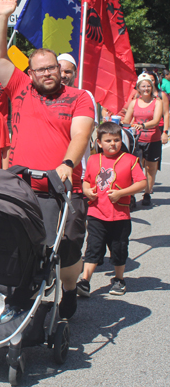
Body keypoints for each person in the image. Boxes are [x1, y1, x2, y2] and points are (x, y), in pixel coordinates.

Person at [0, 0, 95, 319]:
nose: (48, 73)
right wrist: (3, 15)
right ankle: (23, 296)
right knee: (22, 249)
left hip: (64, 189)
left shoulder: (79, 97)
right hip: (23, 188)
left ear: (59, 69)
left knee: (66, 254)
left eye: (53, 68)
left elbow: (81, 134)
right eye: (41, 69)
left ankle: (68, 290)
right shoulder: (20, 88)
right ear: (31, 73)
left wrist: (67, 163)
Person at [77, 122, 146, 297]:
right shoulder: (93, 160)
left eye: (116, 140)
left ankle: (119, 278)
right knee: (93, 247)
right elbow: (86, 180)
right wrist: (86, 190)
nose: (112, 144)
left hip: (120, 215)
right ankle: (85, 281)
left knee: (119, 248)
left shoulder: (130, 160)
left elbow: (142, 183)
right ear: (99, 142)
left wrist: (122, 193)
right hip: (96, 213)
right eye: (108, 140)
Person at [122, 73, 163, 206]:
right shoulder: (134, 102)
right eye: (143, 86)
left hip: (153, 139)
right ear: (138, 88)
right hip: (137, 140)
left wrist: (143, 125)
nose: (146, 89)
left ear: (152, 87)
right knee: (135, 168)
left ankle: (147, 193)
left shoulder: (158, 102)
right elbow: (127, 120)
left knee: (151, 168)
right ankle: (132, 195)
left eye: (148, 86)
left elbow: (156, 121)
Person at [57, 53, 99, 176]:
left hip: (78, 169)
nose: (63, 75)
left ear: (75, 73)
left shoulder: (85, 96)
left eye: (67, 72)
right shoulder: (45, 98)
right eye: (60, 71)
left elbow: (87, 131)